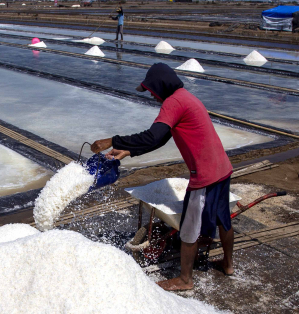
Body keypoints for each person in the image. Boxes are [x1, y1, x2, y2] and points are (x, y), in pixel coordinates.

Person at [90, 63, 234, 292]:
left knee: (189, 228)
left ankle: (185, 279)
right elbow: (160, 138)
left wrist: (112, 141)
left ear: (160, 87)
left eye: (151, 90)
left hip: (205, 175)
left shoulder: (173, 102)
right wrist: (128, 151)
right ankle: (228, 265)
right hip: (222, 168)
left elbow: (151, 136)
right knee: (223, 218)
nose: (151, 95)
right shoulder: (185, 98)